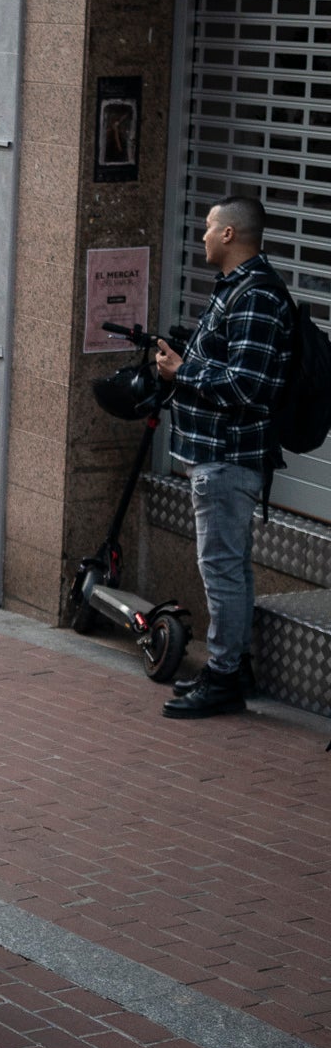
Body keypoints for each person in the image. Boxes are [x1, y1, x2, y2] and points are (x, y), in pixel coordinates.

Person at [156, 194, 295, 719]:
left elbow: (248, 386)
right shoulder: (236, 289)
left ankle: (223, 676)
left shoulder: (256, 296)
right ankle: (233, 667)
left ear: (232, 234)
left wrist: (181, 373)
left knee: (223, 571)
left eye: (210, 227)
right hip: (217, 454)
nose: (203, 235)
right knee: (228, 568)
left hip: (229, 456)